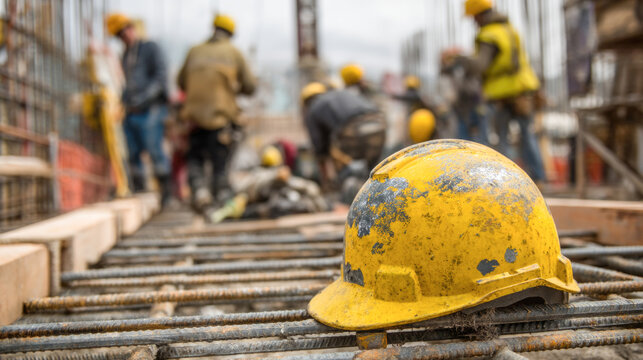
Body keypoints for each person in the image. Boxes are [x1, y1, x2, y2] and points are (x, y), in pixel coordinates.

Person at [177, 14, 256, 212]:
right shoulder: (233, 52)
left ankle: (199, 192)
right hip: (221, 118)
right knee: (220, 163)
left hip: (193, 119)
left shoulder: (194, 51)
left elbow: (181, 82)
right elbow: (250, 86)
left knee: (195, 159)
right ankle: (219, 197)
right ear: (230, 34)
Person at [464, 0, 545, 182]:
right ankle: (538, 178)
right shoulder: (509, 29)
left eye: (473, 18)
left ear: (478, 15)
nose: (473, 22)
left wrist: (462, 60)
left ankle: (504, 181)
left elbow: (480, 66)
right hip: (522, 90)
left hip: (501, 94)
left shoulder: (488, 34)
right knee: (528, 136)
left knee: (501, 138)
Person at [105, 13, 171, 204]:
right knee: (132, 152)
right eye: (118, 35)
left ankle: (166, 195)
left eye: (124, 32)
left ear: (131, 28)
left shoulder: (150, 48)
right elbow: (127, 84)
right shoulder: (126, 54)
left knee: (154, 149)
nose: (123, 37)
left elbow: (160, 78)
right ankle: (140, 192)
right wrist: (123, 102)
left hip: (151, 109)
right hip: (132, 111)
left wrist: (144, 98)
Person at [300, 82, 386, 195]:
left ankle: (347, 196)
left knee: (344, 165)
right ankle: (379, 193)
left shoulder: (313, 109)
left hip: (353, 127)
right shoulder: (340, 94)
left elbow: (320, 150)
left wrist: (325, 183)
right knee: (374, 170)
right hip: (379, 123)